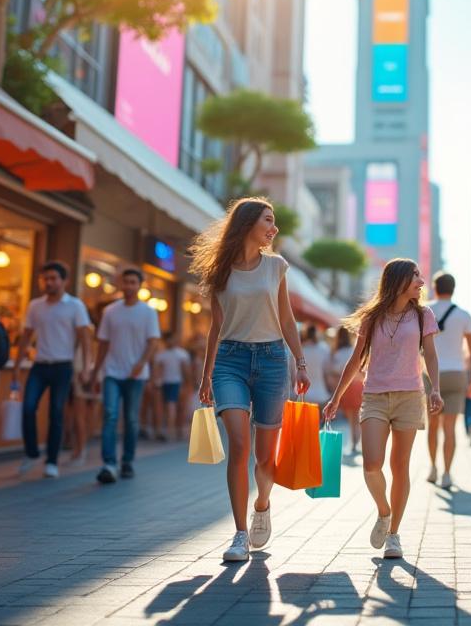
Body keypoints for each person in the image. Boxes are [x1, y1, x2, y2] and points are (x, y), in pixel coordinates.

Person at [191, 198, 310, 562]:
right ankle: (240, 534)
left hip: (273, 359)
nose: (274, 229)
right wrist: (207, 374)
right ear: (247, 224)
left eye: (274, 222)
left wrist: (300, 363)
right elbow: (216, 326)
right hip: (231, 361)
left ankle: (262, 504)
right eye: (268, 221)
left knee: (265, 457)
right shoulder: (220, 271)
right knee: (239, 445)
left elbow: (287, 320)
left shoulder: (276, 266)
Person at [324, 259, 444, 559]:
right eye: (415, 275)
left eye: (420, 274)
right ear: (399, 280)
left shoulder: (423, 315)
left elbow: (430, 354)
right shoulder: (373, 317)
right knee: (371, 465)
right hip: (375, 395)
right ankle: (384, 511)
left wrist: (436, 390)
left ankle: (393, 535)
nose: (421, 280)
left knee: (399, 467)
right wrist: (336, 397)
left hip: (409, 396)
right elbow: (355, 360)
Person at [13, 262, 92, 478]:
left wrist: (86, 367)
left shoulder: (75, 305)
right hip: (39, 365)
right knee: (28, 408)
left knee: (56, 413)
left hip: (63, 366)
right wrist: (17, 366)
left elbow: (85, 338)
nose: (49, 282)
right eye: (45, 278)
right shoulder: (35, 306)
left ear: (64, 281)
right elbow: (26, 337)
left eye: (53, 278)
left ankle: (52, 461)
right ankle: (31, 453)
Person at [91, 269, 161, 483]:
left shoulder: (148, 312)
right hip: (112, 372)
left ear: (140, 286)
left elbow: (153, 342)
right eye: (126, 282)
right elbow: (103, 343)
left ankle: (127, 461)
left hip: (136, 375)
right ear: (120, 284)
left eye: (133, 282)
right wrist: (95, 372)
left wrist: (141, 364)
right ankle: (109, 463)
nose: (129, 286)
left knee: (131, 420)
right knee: (110, 415)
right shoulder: (110, 311)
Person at [424, 271, 471, 489]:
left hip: (430, 374)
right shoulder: (464, 315)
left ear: (435, 288)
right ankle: (447, 473)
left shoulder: (425, 311)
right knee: (450, 428)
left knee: (433, 425)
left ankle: (433, 468)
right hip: (456, 373)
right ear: (453, 289)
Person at [326, 328, 363, 455]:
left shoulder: (337, 353)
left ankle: (354, 443)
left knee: (351, 417)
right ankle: (355, 442)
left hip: (346, 387)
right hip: (358, 385)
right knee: (356, 416)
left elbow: (335, 371)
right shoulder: (352, 350)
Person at [153, 334, 192, 442]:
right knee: (173, 407)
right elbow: (186, 371)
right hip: (171, 383)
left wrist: (187, 385)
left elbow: (186, 371)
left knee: (172, 407)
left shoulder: (165, 355)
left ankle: (171, 431)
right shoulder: (180, 354)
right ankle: (172, 430)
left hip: (172, 383)